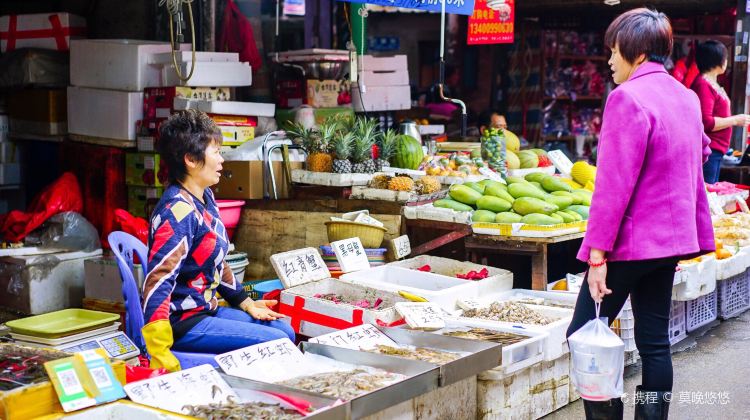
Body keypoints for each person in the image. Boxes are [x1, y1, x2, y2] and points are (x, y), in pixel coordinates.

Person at [565, 8, 714, 419]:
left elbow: (612, 187)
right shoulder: (685, 96)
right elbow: (701, 151)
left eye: (613, 51)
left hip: (630, 247)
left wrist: (597, 255)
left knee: (582, 335)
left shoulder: (626, 98)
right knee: (654, 343)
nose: (609, 61)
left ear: (636, 51)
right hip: (670, 245)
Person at [141, 110, 295, 372]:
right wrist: (157, 347)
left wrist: (245, 302)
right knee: (279, 341)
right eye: (216, 152)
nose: (222, 160)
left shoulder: (205, 198)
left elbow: (215, 261)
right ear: (191, 159)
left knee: (284, 329)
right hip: (184, 322)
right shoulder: (176, 213)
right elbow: (159, 280)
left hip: (207, 309)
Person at [690, 40, 750, 184]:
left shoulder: (711, 83)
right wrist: (736, 120)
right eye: (725, 57)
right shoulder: (703, 85)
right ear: (717, 60)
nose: (726, 61)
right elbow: (707, 122)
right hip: (708, 150)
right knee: (708, 192)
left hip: (716, 150)